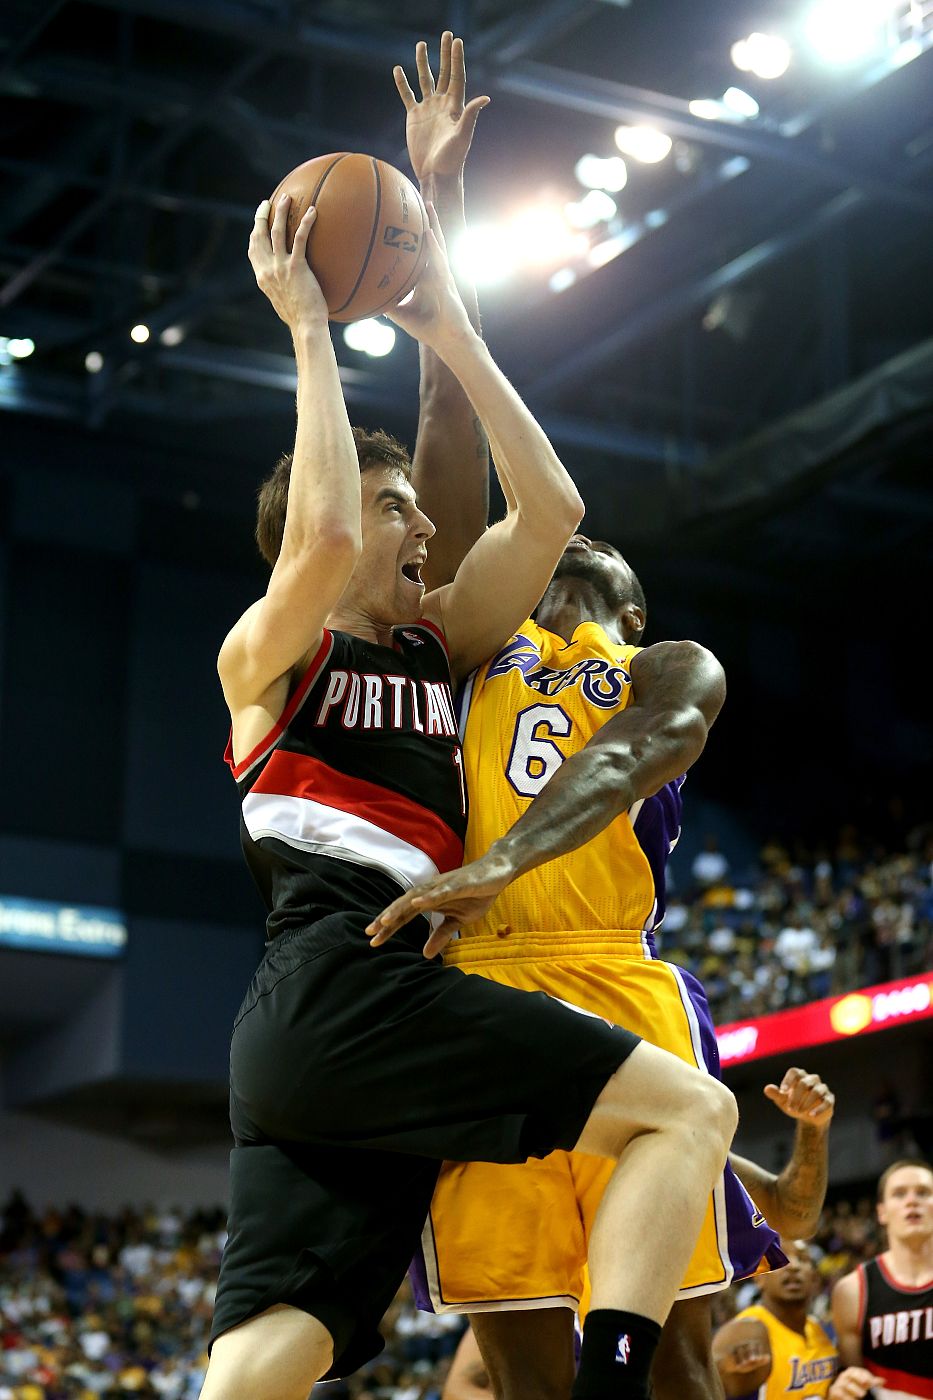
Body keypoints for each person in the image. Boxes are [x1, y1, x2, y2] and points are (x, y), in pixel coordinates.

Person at [199, 92, 738, 1400]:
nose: (425, 533)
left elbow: (544, 502)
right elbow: (330, 535)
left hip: (325, 1033)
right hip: (377, 989)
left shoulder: (441, 652)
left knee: (283, 1336)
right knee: (688, 1114)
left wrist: (436, 278)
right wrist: (316, 337)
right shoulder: (271, 657)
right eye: (402, 515)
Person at [440, 1069, 836, 1400]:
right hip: (506, 1146)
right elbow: (459, 1388)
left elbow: (792, 1214)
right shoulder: (506, 1156)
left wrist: (812, 1129)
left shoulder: (664, 1139)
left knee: (679, 1365)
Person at [829, 1159, 933, 1400]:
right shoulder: (852, 1290)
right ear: (882, 1212)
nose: (912, 1200)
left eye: (923, 1192)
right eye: (899, 1194)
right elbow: (853, 1384)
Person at [713, 1240, 838, 1400]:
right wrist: (724, 1369)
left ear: (814, 1279)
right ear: (759, 1279)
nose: (793, 1266)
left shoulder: (819, 1329)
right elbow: (712, 1368)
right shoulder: (747, 1329)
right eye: (781, 1257)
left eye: (802, 1259)